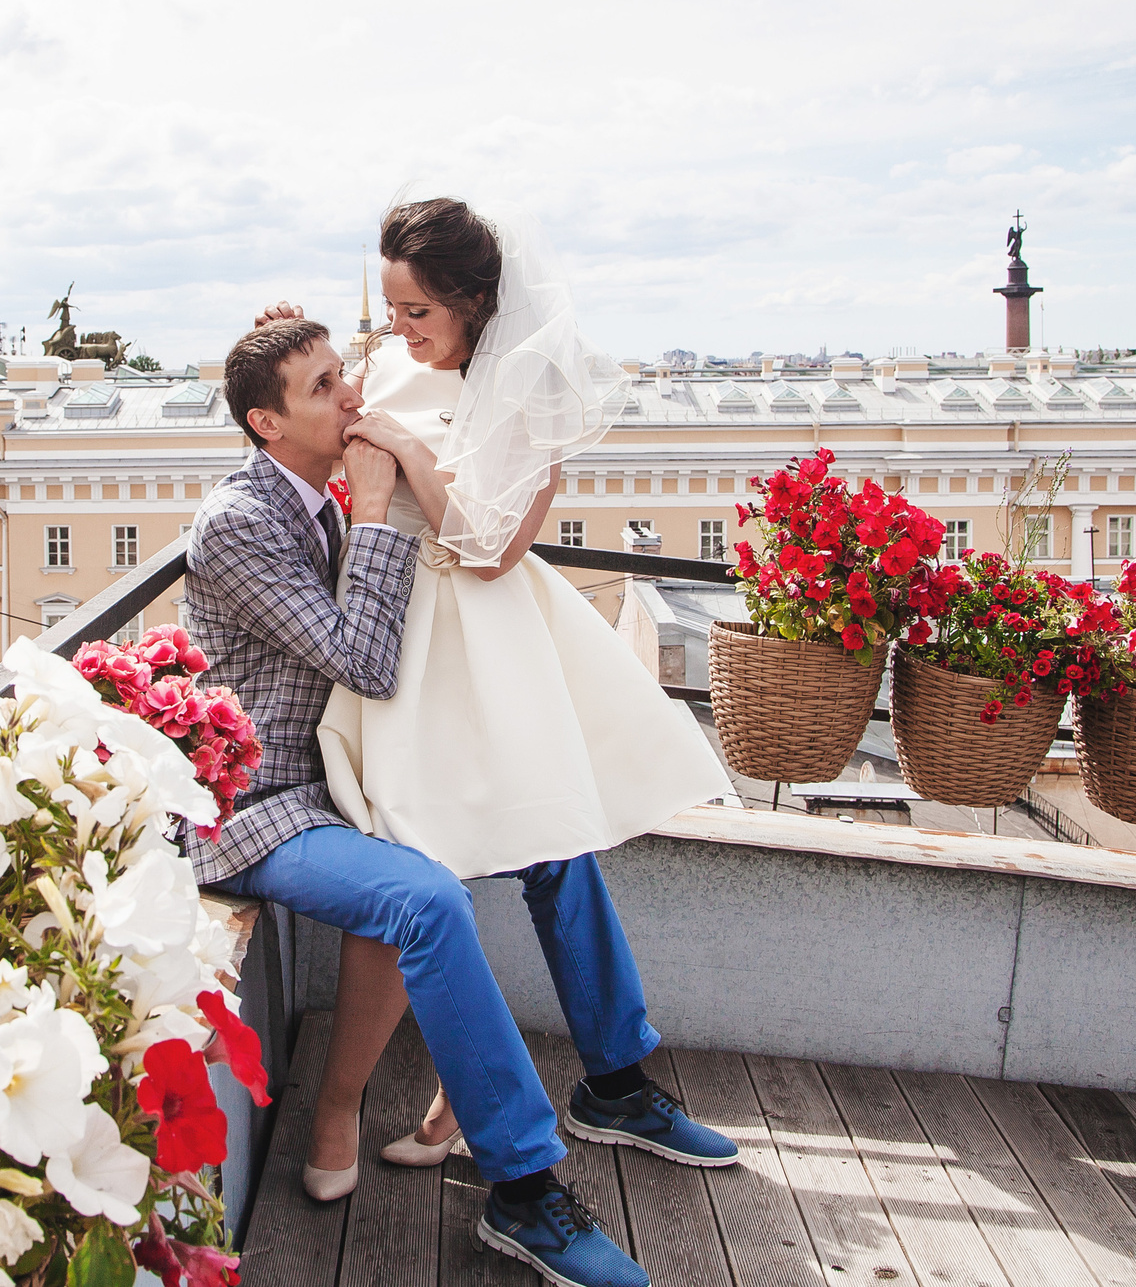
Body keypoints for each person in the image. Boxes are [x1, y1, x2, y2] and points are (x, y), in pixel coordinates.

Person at [182, 307, 735, 1287]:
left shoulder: (316, 478)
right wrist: (380, 506)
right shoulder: (240, 523)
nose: (353, 394)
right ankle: (524, 1191)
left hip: (363, 764)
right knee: (427, 896)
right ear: (266, 427)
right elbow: (364, 657)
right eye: (324, 389)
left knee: (550, 830)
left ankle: (614, 1081)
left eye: (342, 373)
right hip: (268, 805)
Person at [302, 198, 731, 1190]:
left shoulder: (536, 385)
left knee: (546, 849)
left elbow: (490, 551)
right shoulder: (401, 364)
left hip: (487, 647)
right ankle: (512, 1095)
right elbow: (331, 440)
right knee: (435, 868)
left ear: (471, 298)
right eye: (391, 309)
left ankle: (604, 1087)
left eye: (415, 311)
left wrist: (407, 453)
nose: (399, 330)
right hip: (398, 649)